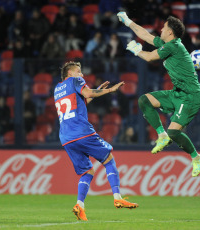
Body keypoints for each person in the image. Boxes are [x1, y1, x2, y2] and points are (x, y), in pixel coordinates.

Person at [117, 12, 200, 177]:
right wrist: (128, 21)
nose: (161, 30)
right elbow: (145, 35)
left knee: (174, 133)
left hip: (190, 96)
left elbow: (150, 57)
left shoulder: (174, 46)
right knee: (144, 100)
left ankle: (196, 157)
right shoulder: (168, 44)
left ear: (170, 32)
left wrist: (137, 51)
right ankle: (161, 135)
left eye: (164, 28)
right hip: (177, 93)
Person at [54, 61, 138, 221]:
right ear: (70, 73)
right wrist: (109, 90)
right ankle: (117, 197)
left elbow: (80, 101)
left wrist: (96, 91)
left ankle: (80, 205)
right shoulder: (75, 81)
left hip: (66, 137)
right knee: (108, 160)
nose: (82, 75)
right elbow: (87, 94)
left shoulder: (58, 88)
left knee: (87, 171)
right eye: (78, 71)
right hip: (81, 131)